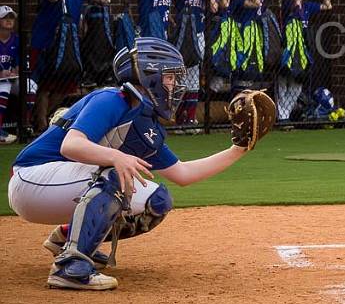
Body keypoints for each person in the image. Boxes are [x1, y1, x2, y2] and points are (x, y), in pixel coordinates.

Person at [7, 38, 256, 290]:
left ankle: (69, 240)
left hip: (64, 186)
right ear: (149, 76)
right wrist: (116, 156)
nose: (175, 85)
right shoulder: (113, 99)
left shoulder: (146, 123)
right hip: (31, 180)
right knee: (116, 173)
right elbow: (71, 145)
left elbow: (183, 174)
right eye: (169, 77)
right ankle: (71, 267)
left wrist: (239, 149)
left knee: (157, 201)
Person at [30, 0, 110, 132]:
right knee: (45, 84)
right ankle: (40, 124)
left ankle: (42, 121)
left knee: (65, 85)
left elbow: (105, 0)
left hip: (68, 42)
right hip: (46, 40)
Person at [172, 0, 218, 130]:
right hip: (183, 35)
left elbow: (214, 8)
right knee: (180, 75)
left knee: (194, 76)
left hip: (198, 34)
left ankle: (190, 119)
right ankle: (180, 117)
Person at [277, 0, 332, 121]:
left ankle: (284, 117)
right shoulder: (289, 3)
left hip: (301, 50)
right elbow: (296, 4)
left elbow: (328, 5)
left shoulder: (308, 6)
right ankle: (282, 118)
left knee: (297, 84)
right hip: (288, 48)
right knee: (283, 83)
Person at [0, 7, 37, 144]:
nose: (9, 20)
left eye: (11, 17)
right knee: (3, 89)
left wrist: (17, 69)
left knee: (31, 86)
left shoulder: (17, 40)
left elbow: (22, 61)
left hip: (12, 78)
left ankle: (24, 126)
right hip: (1, 81)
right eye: (5, 17)